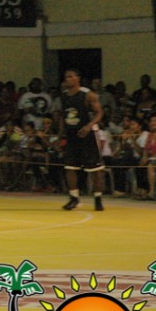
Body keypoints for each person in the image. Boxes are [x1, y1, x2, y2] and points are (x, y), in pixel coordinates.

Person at [59, 69, 106, 211]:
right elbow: (63, 116)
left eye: (70, 76)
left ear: (77, 78)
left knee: (95, 169)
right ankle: (74, 198)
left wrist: (89, 126)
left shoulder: (87, 95)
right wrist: (60, 134)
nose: (67, 79)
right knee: (70, 167)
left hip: (87, 135)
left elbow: (99, 113)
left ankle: (98, 198)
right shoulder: (64, 96)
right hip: (71, 135)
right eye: (66, 77)